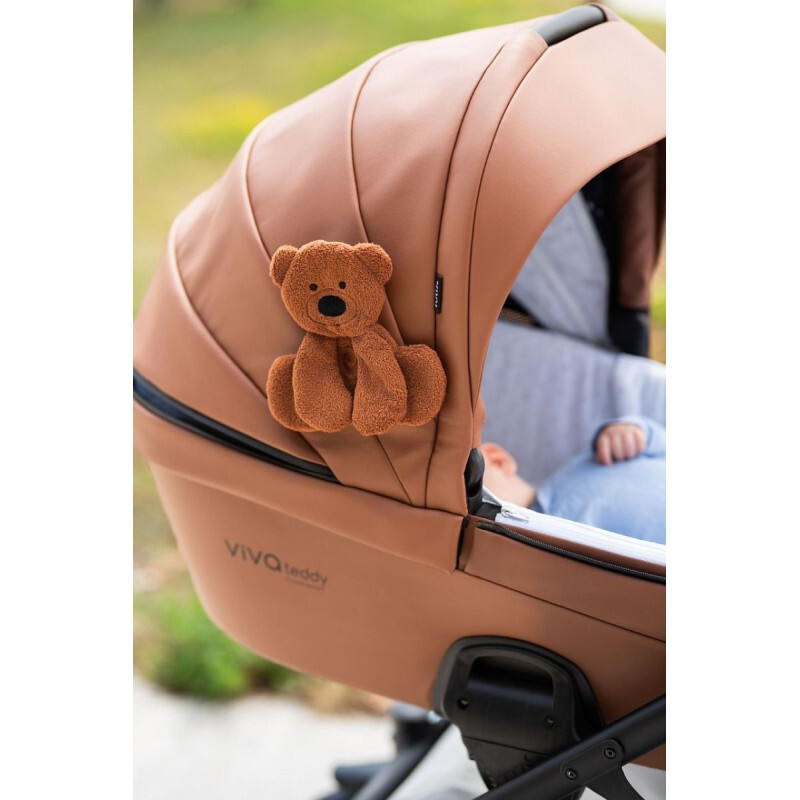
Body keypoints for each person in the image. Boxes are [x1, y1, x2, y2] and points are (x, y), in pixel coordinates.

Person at [480, 417, 666, 544]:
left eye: (469, 483)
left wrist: (629, 431)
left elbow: (659, 443)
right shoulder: (544, 548)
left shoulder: (583, 464)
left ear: (497, 460)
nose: (466, 505)